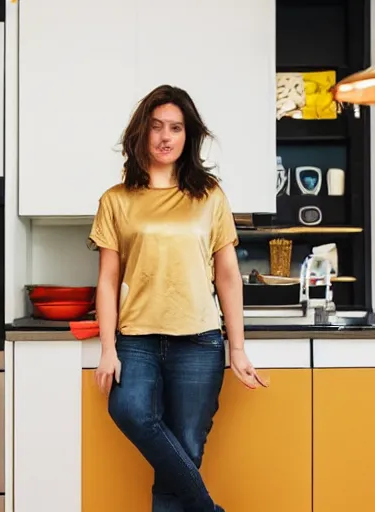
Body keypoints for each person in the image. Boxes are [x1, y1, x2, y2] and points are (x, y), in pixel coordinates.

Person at [88, 84, 267, 512]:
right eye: (156, 127)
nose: (165, 137)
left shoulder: (209, 195)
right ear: (141, 134)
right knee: (129, 411)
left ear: (188, 136)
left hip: (199, 340)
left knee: (183, 453)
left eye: (175, 128)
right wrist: (108, 348)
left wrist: (237, 347)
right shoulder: (116, 199)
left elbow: (227, 275)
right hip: (137, 339)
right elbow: (108, 280)